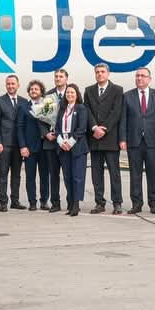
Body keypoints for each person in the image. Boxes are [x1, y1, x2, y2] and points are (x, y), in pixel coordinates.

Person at [119, 67, 155, 214]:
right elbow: (123, 119)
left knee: (153, 174)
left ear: (149, 79)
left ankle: (154, 203)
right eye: (137, 76)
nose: (139, 78)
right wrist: (123, 139)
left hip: (152, 142)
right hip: (134, 141)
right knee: (135, 174)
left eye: (143, 76)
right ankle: (136, 204)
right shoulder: (127, 96)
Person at [83, 63, 124, 214]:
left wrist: (104, 128)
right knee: (96, 173)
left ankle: (117, 203)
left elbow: (116, 112)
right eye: (97, 72)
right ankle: (99, 202)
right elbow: (87, 111)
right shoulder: (89, 90)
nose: (100, 74)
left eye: (102, 72)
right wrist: (94, 127)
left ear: (108, 73)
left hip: (110, 138)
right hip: (95, 138)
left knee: (114, 173)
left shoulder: (117, 90)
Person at [0, 75, 28, 210]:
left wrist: (25, 144)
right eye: (8, 84)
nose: (10, 86)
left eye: (13, 84)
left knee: (16, 175)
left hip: (19, 144)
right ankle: (3, 202)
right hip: (4, 144)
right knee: (3, 174)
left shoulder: (24, 101)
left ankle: (15, 201)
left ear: (18, 85)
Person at [55, 84, 89, 216]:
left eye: (72, 92)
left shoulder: (81, 108)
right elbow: (57, 128)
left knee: (77, 177)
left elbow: (82, 128)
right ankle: (70, 202)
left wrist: (70, 142)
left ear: (77, 94)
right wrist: (60, 141)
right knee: (67, 177)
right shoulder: (62, 109)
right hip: (63, 146)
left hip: (77, 146)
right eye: (67, 92)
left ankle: (76, 204)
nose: (69, 94)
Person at [17, 80, 50, 210]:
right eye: (31, 89)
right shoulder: (23, 107)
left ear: (41, 91)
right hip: (29, 148)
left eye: (36, 89)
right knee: (30, 176)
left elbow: (52, 123)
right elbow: (20, 127)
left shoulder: (47, 105)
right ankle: (32, 202)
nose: (33, 91)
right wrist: (22, 146)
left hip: (45, 146)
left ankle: (44, 201)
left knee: (44, 176)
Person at [43, 69, 70, 212]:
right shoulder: (48, 95)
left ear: (66, 79)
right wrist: (45, 133)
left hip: (66, 143)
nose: (58, 78)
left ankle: (71, 203)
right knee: (53, 175)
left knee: (68, 174)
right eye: (56, 76)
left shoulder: (72, 93)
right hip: (51, 142)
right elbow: (41, 119)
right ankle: (55, 203)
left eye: (61, 76)